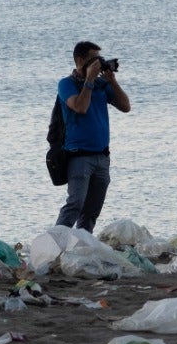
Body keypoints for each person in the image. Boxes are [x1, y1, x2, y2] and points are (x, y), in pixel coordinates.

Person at [55, 41, 130, 232]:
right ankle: (55, 244)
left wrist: (111, 81)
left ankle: (81, 248)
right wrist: (89, 80)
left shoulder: (100, 85)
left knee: (91, 211)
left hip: (102, 157)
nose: (98, 64)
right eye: (94, 60)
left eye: (100, 59)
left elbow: (125, 107)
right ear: (80, 61)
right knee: (75, 204)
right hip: (79, 156)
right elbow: (80, 107)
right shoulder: (67, 84)